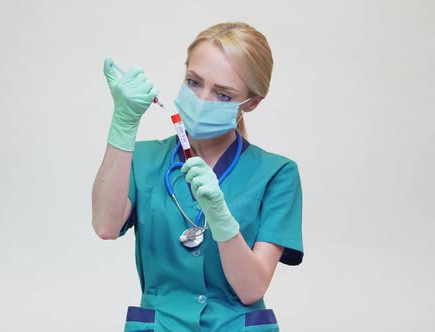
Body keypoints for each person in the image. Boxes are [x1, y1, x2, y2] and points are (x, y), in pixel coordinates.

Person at [92, 22, 303, 331]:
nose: (203, 99)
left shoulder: (277, 174)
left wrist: (221, 217)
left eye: (223, 95)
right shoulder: (143, 159)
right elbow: (105, 226)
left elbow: (252, 289)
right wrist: (123, 123)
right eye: (193, 82)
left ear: (252, 102)